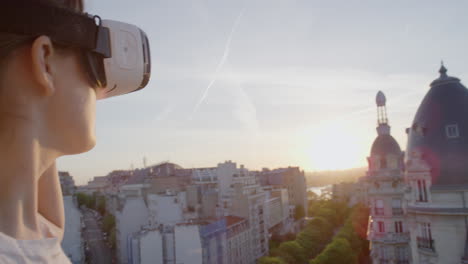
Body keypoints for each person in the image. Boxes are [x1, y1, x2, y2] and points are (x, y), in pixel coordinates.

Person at [0, 0, 149, 262]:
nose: (101, 91)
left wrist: (44, 113)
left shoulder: (27, 231)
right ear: (45, 61)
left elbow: (50, 228)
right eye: (94, 64)